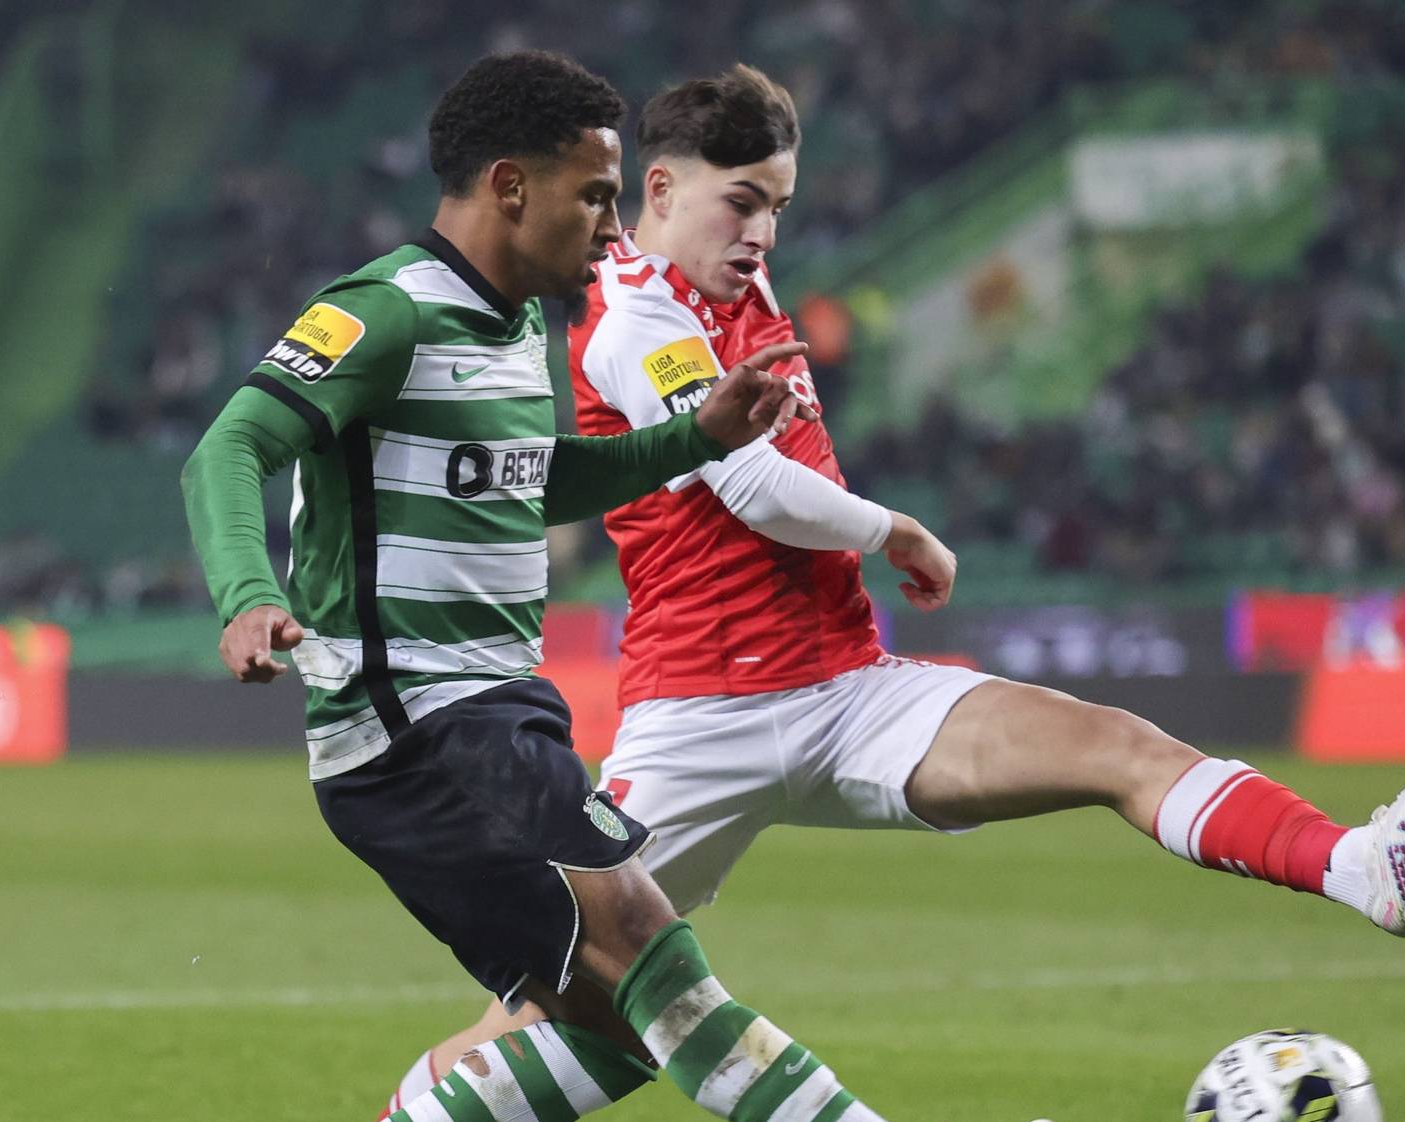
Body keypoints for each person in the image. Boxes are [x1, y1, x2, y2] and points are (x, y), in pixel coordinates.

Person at [375, 64, 1405, 1115]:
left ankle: (1368, 867)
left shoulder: (745, 286)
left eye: (776, 205)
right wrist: (894, 528)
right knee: (592, 1014)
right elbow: (753, 487)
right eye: (740, 202)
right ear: (658, 188)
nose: (762, 232)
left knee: (1113, 745)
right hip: (697, 721)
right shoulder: (632, 313)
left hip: (847, 690)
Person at [184, 50, 912, 1122]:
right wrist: (248, 593)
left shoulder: (525, 324)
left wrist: (688, 438)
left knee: (604, 1018)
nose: (615, 230)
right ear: (510, 187)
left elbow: (539, 478)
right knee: (650, 958)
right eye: (596, 196)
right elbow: (229, 449)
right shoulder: (385, 312)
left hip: (502, 710)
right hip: (415, 726)